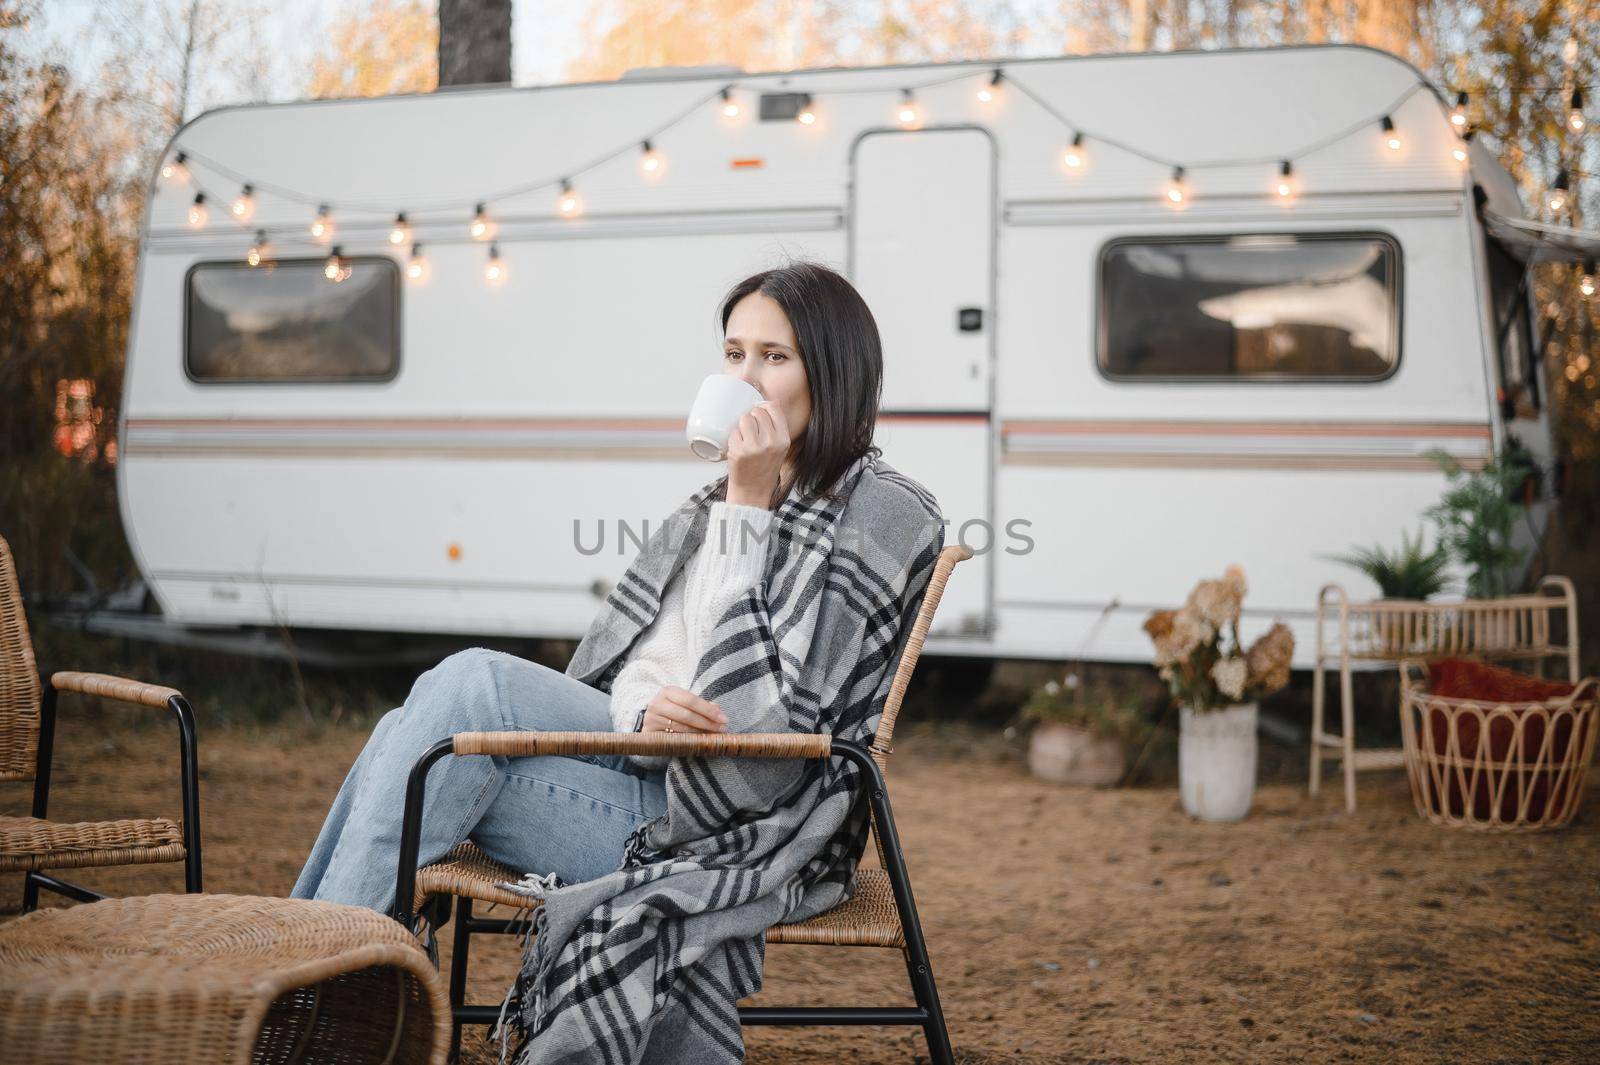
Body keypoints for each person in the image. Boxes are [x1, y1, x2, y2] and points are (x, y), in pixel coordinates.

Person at [290, 259, 904, 915]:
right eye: (733, 354)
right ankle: (322, 956)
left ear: (832, 373)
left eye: (774, 356)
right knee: (427, 717)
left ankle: (320, 967)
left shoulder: (877, 518)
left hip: (721, 832)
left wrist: (747, 507)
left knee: (424, 744)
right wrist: (645, 714)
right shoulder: (723, 505)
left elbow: (753, 733)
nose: (746, 380)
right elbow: (649, 664)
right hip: (652, 763)